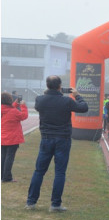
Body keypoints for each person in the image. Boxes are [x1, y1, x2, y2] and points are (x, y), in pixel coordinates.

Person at [25, 75, 88, 211]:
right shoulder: (66, 101)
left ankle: (31, 202)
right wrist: (77, 95)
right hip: (63, 139)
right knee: (60, 172)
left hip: (46, 138)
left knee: (39, 171)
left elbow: (39, 105)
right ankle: (55, 204)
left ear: (47, 86)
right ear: (60, 86)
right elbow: (84, 108)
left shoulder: (40, 99)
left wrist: (48, 93)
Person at [2, 92, 28, 183]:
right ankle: (7, 177)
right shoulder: (13, 111)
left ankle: (2, 176)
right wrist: (23, 106)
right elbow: (23, 116)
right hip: (12, 138)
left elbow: (7, 109)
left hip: (2, 137)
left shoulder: (6, 109)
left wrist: (15, 104)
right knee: (9, 158)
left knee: (3, 156)